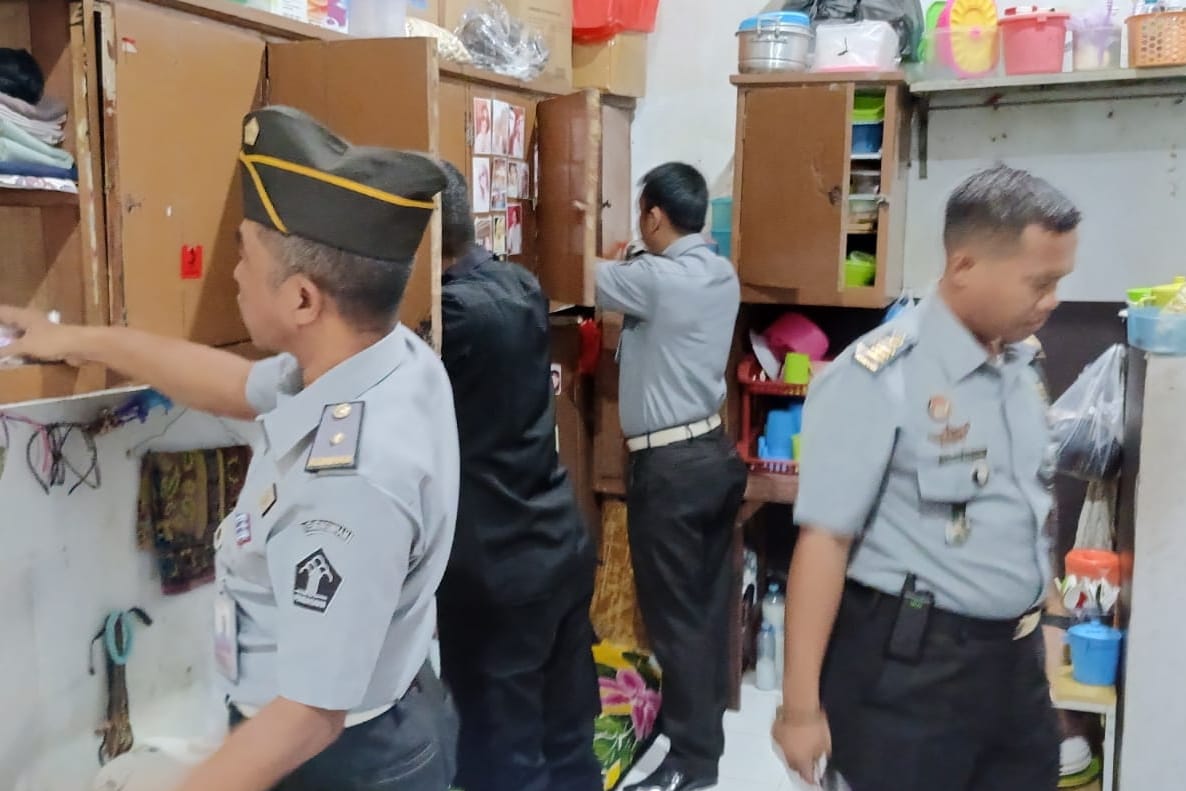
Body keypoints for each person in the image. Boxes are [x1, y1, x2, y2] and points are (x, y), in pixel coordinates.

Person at [0, 106, 460, 791]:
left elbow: (309, 717)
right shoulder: (379, 358)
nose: (235, 274)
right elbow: (233, 385)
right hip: (354, 719)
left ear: (302, 300)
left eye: (245, 254)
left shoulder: (354, 479)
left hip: (342, 762)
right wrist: (79, 339)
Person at [773, 165, 1081, 791]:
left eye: (1059, 283)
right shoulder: (877, 376)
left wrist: (1049, 624)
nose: (1052, 301)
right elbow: (824, 541)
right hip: (912, 673)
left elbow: (1025, 508)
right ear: (964, 266)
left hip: (1015, 670)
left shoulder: (1020, 366)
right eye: (1040, 283)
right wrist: (800, 710)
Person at [434, 160, 603, 791]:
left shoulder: (451, 318)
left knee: (506, 765)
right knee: (568, 742)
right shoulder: (521, 285)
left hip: (498, 570)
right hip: (555, 539)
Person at [594, 162, 747, 791]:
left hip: (671, 469)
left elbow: (580, 272)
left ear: (654, 216)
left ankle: (693, 758)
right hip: (712, 455)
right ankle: (699, 728)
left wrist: (611, 249)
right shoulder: (719, 271)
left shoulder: (653, 282)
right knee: (704, 609)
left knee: (675, 617)